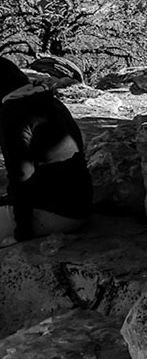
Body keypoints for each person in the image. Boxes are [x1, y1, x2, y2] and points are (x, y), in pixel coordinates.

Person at [0, 57, 91, 245]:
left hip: (53, 214)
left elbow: (20, 177)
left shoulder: (13, 115)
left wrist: (21, 235)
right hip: (79, 208)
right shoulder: (49, 101)